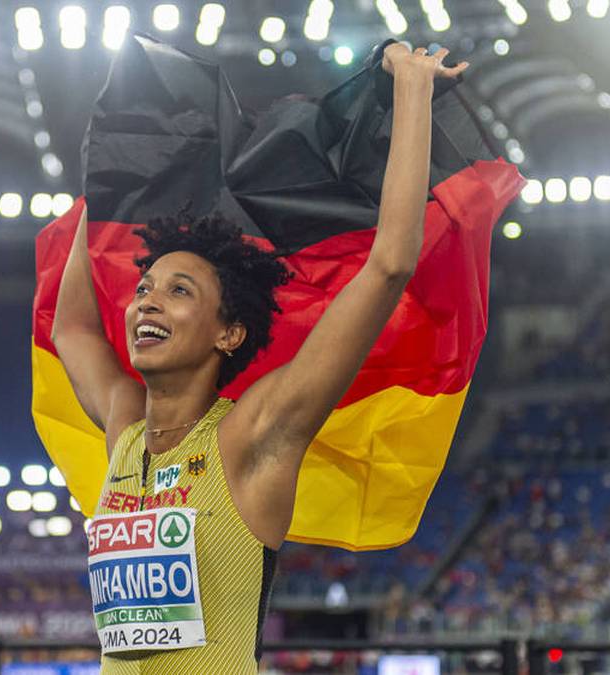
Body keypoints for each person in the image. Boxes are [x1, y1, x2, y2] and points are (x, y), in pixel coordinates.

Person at [51, 43, 469, 674]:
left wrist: (413, 91)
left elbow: (388, 267)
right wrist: (107, 186)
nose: (147, 303)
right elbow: (73, 328)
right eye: (144, 288)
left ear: (229, 333)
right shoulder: (125, 433)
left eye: (178, 291)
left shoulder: (255, 435)